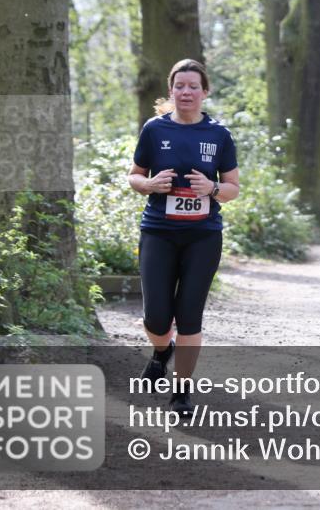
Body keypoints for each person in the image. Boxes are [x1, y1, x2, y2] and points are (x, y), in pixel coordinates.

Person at [128, 59, 240, 414]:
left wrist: (213, 188)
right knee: (155, 318)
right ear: (171, 90)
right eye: (180, 86)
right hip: (158, 232)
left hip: (203, 236)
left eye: (193, 86)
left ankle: (181, 392)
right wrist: (148, 184)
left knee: (190, 316)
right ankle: (163, 351)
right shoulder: (154, 129)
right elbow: (134, 176)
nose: (186, 92)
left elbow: (233, 188)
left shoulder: (219, 135)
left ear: (205, 92)